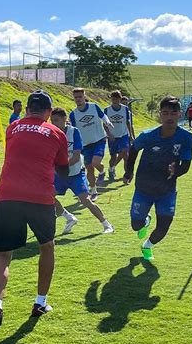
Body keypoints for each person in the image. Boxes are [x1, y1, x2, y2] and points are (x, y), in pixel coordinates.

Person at [0, 90, 69, 339]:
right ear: (49, 113)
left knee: (3, 255)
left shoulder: (12, 128)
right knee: (47, 247)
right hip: (40, 197)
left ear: (27, 109)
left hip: (8, 195)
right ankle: (40, 302)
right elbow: (63, 169)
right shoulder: (57, 132)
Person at [123, 96, 192, 261]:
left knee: (164, 226)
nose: (169, 117)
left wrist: (175, 171)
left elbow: (186, 165)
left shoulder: (186, 137)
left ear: (179, 114)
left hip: (166, 190)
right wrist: (129, 172)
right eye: (165, 113)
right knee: (136, 225)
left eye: (173, 113)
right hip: (144, 188)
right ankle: (145, 221)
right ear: (160, 115)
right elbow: (133, 150)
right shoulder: (147, 136)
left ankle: (147, 245)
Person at [50, 107, 114, 235]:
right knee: (48, 196)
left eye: (56, 120)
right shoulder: (51, 134)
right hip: (59, 175)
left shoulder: (74, 132)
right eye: (52, 120)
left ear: (64, 119)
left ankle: (107, 224)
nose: (54, 123)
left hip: (75, 174)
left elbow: (76, 156)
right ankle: (69, 217)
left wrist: (61, 166)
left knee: (86, 201)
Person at [69, 88, 113, 200]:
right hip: (85, 144)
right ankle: (93, 191)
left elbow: (103, 116)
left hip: (99, 140)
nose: (78, 99)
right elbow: (74, 130)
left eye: (80, 96)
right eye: (76, 97)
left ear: (84, 96)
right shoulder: (73, 114)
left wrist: (107, 122)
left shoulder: (94, 107)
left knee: (95, 162)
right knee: (89, 168)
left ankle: (102, 171)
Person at [104, 90, 135, 180]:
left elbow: (127, 122)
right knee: (113, 157)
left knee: (125, 154)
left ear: (120, 99)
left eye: (116, 99)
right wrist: (109, 134)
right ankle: (111, 169)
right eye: (113, 99)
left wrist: (131, 135)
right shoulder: (107, 110)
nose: (114, 101)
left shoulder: (125, 109)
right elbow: (104, 124)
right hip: (113, 137)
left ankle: (127, 175)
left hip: (123, 135)